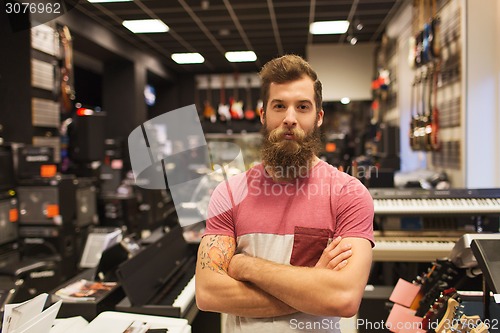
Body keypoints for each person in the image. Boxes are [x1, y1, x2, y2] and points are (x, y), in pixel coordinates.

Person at [195, 54, 374, 332]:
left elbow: (343, 299)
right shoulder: (229, 193)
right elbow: (208, 294)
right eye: (279, 106)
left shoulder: (348, 194)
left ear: (318, 117)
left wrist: (245, 267)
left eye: (302, 107)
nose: (290, 118)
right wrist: (313, 285)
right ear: (264, 114)